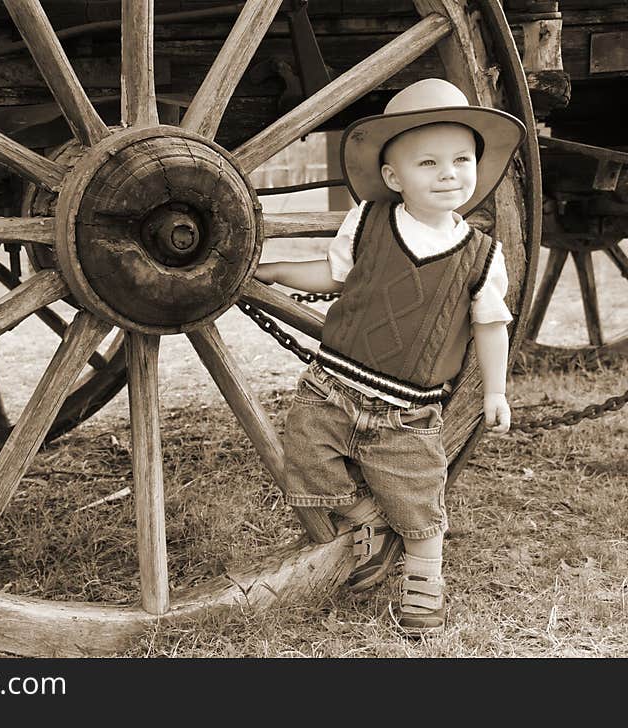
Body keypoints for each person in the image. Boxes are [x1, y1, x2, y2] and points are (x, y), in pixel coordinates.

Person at [255, 78, 525, 636]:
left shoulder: (482, 256)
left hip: (410, 412)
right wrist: (275, 273)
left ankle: (424, 584)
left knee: (420, 503)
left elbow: (492, 327)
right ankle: (367, 522)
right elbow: (332, 276)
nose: (449, 173)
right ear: (393, 177)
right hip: (332, 390)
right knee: (303, 459)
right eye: (428, 162)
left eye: (461, 159)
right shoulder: (369, 223)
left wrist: (496, 391)